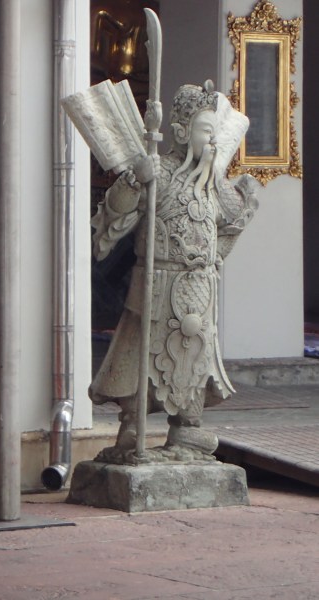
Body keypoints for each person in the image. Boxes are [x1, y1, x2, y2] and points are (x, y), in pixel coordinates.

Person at [89, 81, 259, 463]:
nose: (212, 141)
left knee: (196, 356)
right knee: (140, 354)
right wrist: (136, 179)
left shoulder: (212, 182)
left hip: (198, 288)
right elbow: (117, 211)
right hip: (156, 285)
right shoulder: (161, 172)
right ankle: (132, 426)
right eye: (205, 131)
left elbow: (232, 221)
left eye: (215, 133)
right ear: (181, 132)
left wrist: (234, 199)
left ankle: (187, 426)